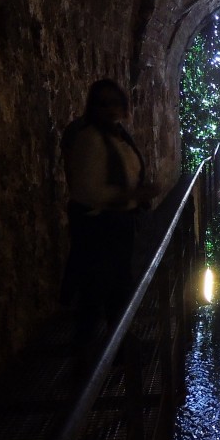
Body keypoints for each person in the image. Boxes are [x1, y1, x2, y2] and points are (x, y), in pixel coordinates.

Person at [61, 79, 160, 357]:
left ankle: (120, 345)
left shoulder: (117, 136)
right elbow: (88, 191)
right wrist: (134, 195)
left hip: (118, 227)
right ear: (92, 106)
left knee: (119, 287)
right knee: (94, 294)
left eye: (114, 102)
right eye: (102, 103)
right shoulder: (89, 139)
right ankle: (86, 366)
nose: (109, 109)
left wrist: (136, 194)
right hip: (99, 229)